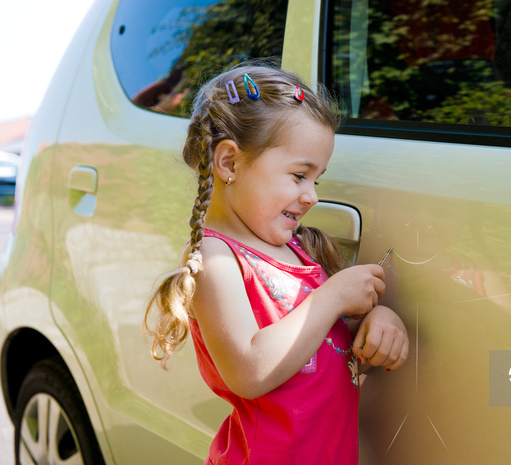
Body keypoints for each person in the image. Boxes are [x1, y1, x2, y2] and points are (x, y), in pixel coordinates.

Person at [144, 64, 409, 465]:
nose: (311, 197)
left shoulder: (299, 251)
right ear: (229, 163)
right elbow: (250, 371)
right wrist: (333, 296)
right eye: (299, 175)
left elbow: (322, 346)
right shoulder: (216, 260)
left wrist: (377, 322)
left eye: (316, 180)